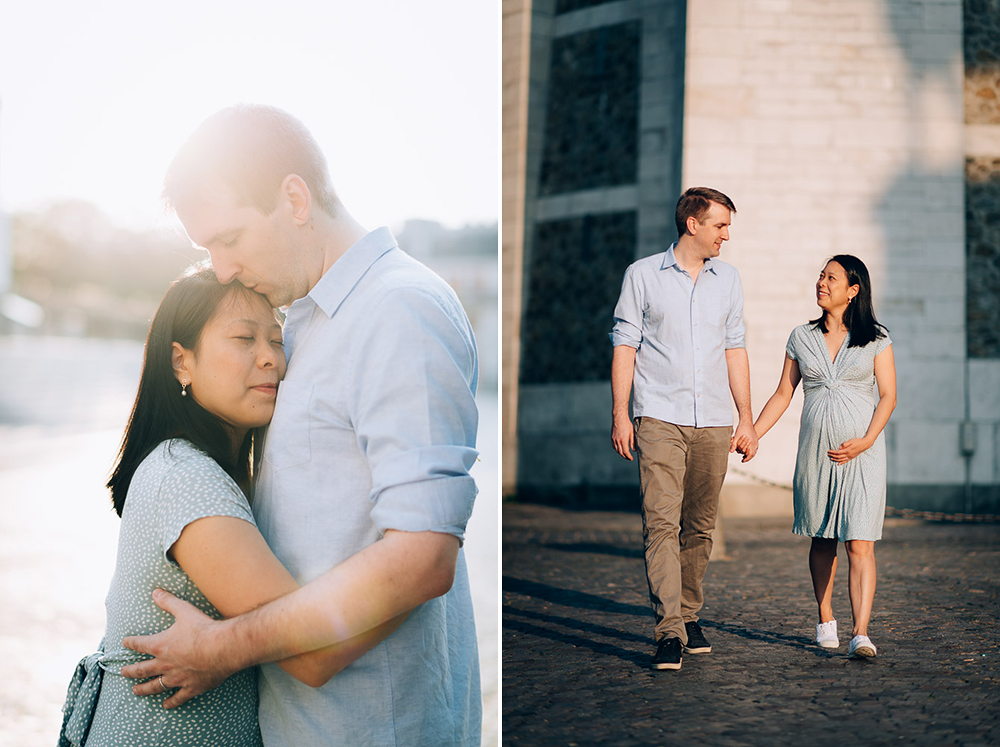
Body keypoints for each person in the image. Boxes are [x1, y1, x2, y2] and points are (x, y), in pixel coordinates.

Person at [118, 105, 482, 746]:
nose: (223, 268)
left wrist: (220, 649)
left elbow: (425, 556)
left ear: (293, 197)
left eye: (228, 239)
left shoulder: (397, 310)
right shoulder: (306, 324)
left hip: (377, 728)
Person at [59, 267, 403, 746]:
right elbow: (312, 655)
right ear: (182, 362)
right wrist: (414, 563)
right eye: (244, 338)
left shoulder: (220, 473)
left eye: (277, 341)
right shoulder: (186, 478)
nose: (270, 360)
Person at [610, 186, 758, 671]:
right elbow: (625, 347)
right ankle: (669, 629)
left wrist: (747, 418)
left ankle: (690, 612)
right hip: (658, 416)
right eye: (720, 225)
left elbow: (735, 349)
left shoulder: (728, 280)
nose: (726, 235)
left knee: (699, 527)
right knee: (660, 524)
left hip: (713, 419)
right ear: (692, 224)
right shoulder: (643, 275)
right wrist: (620, 414)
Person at [753, 254, 896, 658]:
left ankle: (861, 633)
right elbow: (784, 393)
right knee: (822, 540)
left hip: (863, 456)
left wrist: (867, 439)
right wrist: (753, 433)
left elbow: (888, 396)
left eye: (831, 278)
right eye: (820, 275)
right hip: (817, 454)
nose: (821, 282)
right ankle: (825, 617)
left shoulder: (876, 338)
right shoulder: (801, 336)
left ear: (853, 291)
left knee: (860, 543)